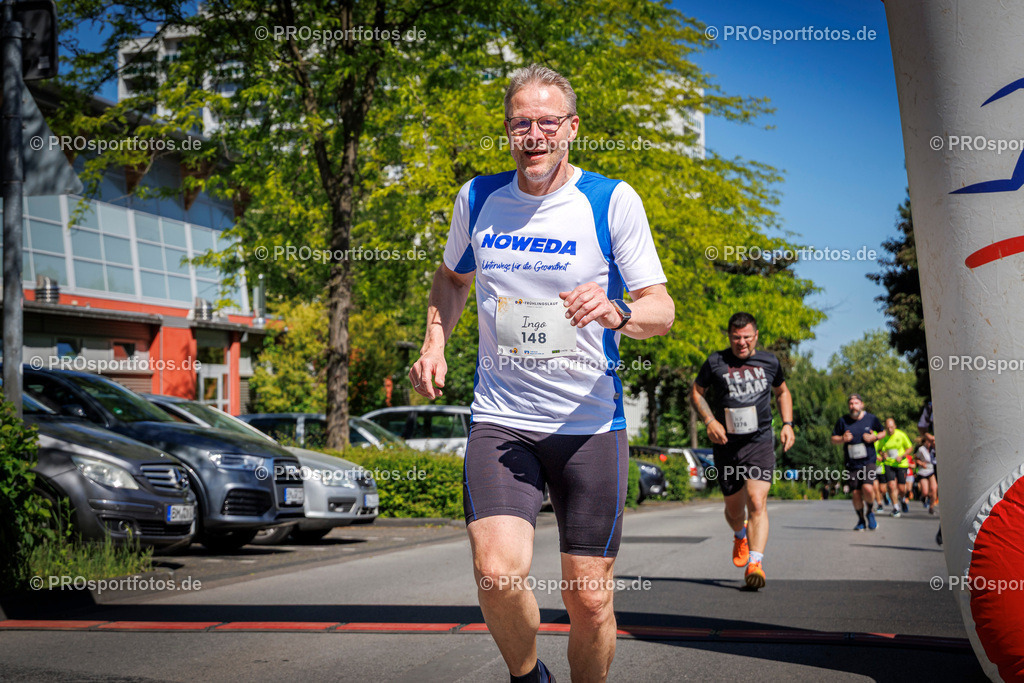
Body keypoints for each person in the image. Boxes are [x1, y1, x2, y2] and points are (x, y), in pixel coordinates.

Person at [409, 64, 674, 683]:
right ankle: (528, 678)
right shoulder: (478, 198)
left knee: (589, 598)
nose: (533, 135)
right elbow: (452, 276)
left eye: (546, 123)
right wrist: (435, 341)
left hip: (588, 426)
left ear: (571, 129)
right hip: (502, 420)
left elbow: (660, 308)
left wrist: (618, 309)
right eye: (520, 124)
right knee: (497, 572)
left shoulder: (611, 200)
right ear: (508, 131)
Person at [691, 312, 794, 590]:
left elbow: (782, 392)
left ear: (756, 336)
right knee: (734, 510)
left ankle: (756, 562)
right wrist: (710, 421)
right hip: (726, 445)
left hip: (759, 441)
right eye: (736, 337)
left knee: (757, 501)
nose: (742, 342)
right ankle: (740, 535)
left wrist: (787, 424)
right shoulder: (716, 362)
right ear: (729, 336)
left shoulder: (770, 362)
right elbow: (696, 392)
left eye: (747, 337)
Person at [831, 395, 883, 531]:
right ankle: (861, 519)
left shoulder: (871, 419)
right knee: (855, 493)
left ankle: (870, 511)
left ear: (862, 405)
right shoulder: (843, 421)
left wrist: (874, 437)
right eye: (851, 403)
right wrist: (842, 438)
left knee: (868, 488)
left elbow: (882, 432)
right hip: (852, 463)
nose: (853, 405)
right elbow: (833, 438)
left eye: (856, 403)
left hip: (869, 460)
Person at [873, 418, 915, 517]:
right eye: (888, 428)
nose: (890, 430)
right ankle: (896, 508)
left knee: (901, 488)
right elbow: (879, 449)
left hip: (901, 464)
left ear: (895, 426)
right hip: (889, 463)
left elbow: (910, 447)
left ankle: (903, 499)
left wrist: (903, 456)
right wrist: (883, 454)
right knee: (891, 486)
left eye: (891, 427)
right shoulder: (883, 437)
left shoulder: (901, 435)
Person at [916, 433, 938, 514]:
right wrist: (921, 464)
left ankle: (931, 507)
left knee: (934, 489)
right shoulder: (921, 449)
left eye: (931, 442)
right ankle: (923, 497)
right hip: (923, 471)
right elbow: (916, 459)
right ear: (925, 442)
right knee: (925, 492)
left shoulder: (935, 448)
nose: (929, 444)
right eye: (928, 442)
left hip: (931, 471)